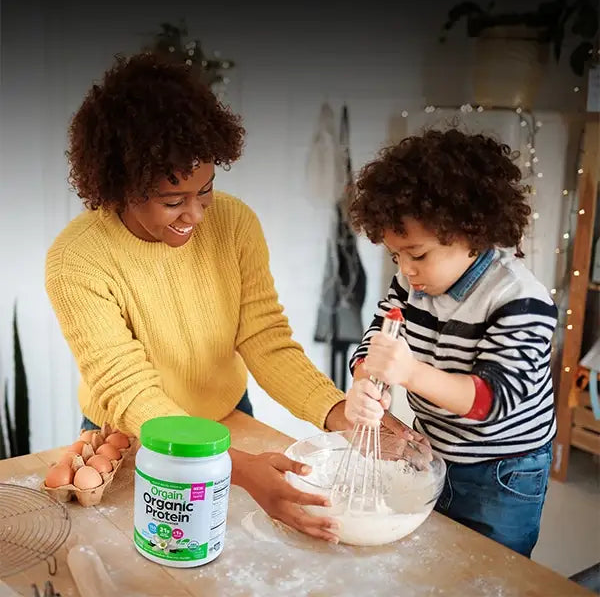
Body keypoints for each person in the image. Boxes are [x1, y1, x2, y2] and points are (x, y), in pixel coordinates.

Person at [45, 51, 417, 542]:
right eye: (173, 200)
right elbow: (128, 388)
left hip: (228, 414)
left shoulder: (235, 224)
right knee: (157, 552)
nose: (196, 214)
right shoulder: (77, 259)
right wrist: (237, 468)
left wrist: (336, 411)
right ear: (120, 188)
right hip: (133, 432)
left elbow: (265, 337)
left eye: (206, 190)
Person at [343, 127, 558, 557]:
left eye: (417, 254)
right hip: (434, 448)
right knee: (436, 557)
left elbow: (488, 401)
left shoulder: (519, 299)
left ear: (472, 232)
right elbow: (378, 337)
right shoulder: (410, 283)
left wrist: (408, 372)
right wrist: (364, 380)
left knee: (491, 569)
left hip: (503, 471)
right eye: (396, 256)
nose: (406, 270)